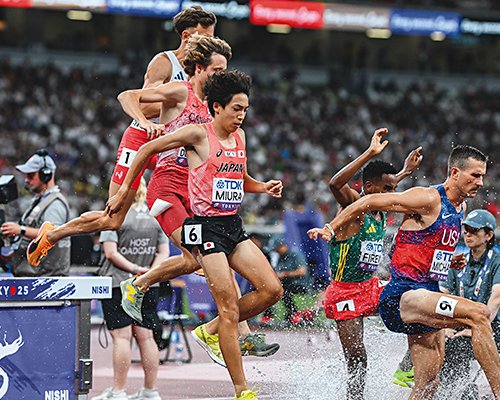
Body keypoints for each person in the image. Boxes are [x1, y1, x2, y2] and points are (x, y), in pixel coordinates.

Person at [105, 70, 284, 400]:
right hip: (205, 229)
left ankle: (210, 329)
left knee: (272, 290)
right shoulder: (197, 134)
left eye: (245, 109)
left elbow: (241, 178)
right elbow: (146, 149)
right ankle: (242, 390)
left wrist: (263, 187)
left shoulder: (241, 137)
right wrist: (124, 191)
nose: (241, 116)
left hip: (232, 226)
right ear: (217, 107)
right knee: (228, 308)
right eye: (236, 109)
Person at [26, 6, 217, 267]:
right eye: (207, 38)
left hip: (172, 146)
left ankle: (197, 256)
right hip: (142, 138)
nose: (212, 44)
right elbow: (143, 104)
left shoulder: (205, 73)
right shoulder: (165, 63)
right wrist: (173, 105)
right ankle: (53, 234)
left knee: (199, 196)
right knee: (113, 219)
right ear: (186, 36)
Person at [308, 145, 500, 400]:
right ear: (455, 173)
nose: (481, 182)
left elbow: (424, 244)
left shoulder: (460, 209)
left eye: (483, 176)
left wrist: (448, 260)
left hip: (417, 293)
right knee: (479, 314)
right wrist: (330, 229)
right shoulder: (428, 198)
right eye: (475, 175)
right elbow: (368, 199)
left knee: (428, 385)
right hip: (401, 294)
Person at [321, 128, 422, 400]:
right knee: (357, 358)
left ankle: (406, 368)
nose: (392, 195)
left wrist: (405, 172)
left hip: (370, 286)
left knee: (421, 304)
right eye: (387, 190)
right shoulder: (354, 206)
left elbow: (388, 185)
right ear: (369, 188)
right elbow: (335, 185)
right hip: (345, 292)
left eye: (393, 190)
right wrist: (369, 153)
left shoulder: (380, 208)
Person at [92, 179, 169, 400]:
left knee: (122, 338)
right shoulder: (155, 214)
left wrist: (135, 269)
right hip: (147, 284)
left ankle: (118, 391)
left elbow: (110, 253)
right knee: (147, 337)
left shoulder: (116, 212)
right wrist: (149, 274)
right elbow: (163, 252)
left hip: (120, 282)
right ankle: (150, 390)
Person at [434, 209, 500, 400]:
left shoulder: (497, 261)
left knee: (459, 346)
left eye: (474, 230)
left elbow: (496, 299)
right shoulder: (459, 260)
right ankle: (449, 392)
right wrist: (443, 326)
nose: (468, 234)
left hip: (491, 325)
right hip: (461, 323)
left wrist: (477, 328)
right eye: (466, 230)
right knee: (436, 340)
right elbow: (443, 295)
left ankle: (459, 392)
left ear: (488, 236)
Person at [1, 150, 70, 277]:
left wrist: (20, 230)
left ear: (46, 175)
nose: (26, 180)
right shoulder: (39, 201)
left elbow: (53, 234)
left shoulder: (55, 203)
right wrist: (10, 257)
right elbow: (31, 241)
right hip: (35, 277)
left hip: (46, 279)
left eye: (31, 175)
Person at [272, 237, 310, 325]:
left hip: (300, 283)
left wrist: (285, 274)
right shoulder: (281, 257)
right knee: (275, 289)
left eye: (277, 248)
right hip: (287, 283)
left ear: (283, 246)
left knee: (284, 290)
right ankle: (274, 315)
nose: (276, 251)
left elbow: (302, 271)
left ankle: (294, 314)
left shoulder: (295, 254)